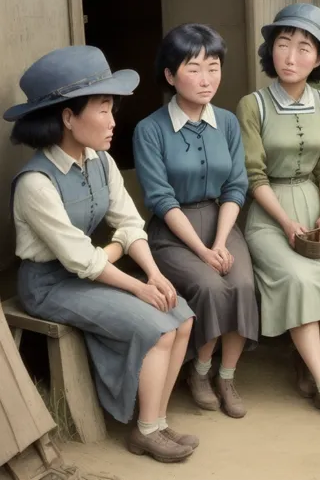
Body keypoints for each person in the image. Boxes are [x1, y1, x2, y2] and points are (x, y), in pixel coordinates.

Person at [4, 46, 197, 464]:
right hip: (48, 284)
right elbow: (81, 261)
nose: (113, 121)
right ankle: (145, 432)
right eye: (104, 110)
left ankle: (157, 421)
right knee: (157, 327)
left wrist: (153, 274)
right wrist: (134, 283)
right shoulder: (35, 183)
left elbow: (130, 223)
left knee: (180, 314)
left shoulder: (101, 161)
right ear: (68, 117)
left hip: (91, 272)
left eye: (113, 109)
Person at [236, 3, 320, 422]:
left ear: (319, 58)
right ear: (271, 51)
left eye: (304, 48)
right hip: (269, 213)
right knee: (297, 278)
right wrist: (285, 222)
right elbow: (253, 175)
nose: (291, 57)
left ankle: (309, 366)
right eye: (283, 45)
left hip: (317, 206)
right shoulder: (253, 105)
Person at [133, 24, 259, 419]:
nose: (207, 79)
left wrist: (221, 242)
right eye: (194, 68)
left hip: (221, 221)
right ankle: (200, 373)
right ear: (170, 76)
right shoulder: (149, 129)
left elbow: (237, 186)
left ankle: (226, 374)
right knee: (208, 285)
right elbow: (160, 199)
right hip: (173, 230)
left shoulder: (227, 122)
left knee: (241, 282)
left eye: (214, 67)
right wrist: (203, 251)